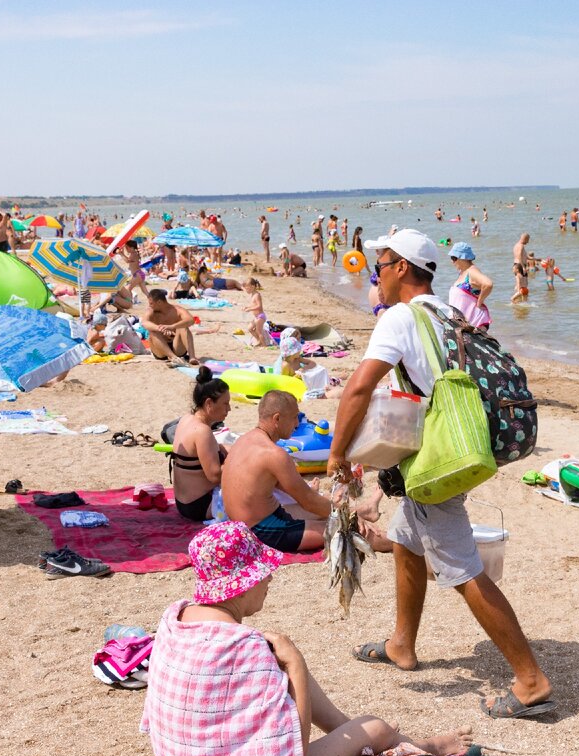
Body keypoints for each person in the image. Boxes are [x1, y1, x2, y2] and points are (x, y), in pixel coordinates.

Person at [328, 228, 555, 720]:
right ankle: (401, 645)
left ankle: (531, 679)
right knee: (408, 538)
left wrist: (337, 451)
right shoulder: (449, 311)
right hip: (464, 446)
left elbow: (359, 388)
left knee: (460, 566)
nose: (377, 275)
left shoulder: (400, 318)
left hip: (438, 461)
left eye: (381, 265)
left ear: (403, 268)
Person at [141, 522, 471, 756]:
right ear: (243, 585)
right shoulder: (247, 648)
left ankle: (350, 733)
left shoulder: (175, 620)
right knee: (375, 725)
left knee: (286, 667)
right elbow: (293, 753)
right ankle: (425, 747)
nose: (270, 580)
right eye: (264, 574)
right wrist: (296, 664)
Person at [222, 390, 327, 552]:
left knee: (325, 513)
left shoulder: (242, 441)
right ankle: (379, 537)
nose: (297, 424)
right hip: (264, 532)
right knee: (349, 530)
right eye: (294, 417)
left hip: (240, 527)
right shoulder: (274, 454)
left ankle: (361, 512)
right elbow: (309, 501)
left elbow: (293, 492)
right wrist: (343, 514)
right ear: (277, 418)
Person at [171, 367, 231, 522]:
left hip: (184, 503)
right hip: (202, 505)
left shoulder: (186, 419)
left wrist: (226, 449)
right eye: (225, 404)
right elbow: (214, 476)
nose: (229, 409)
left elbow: (205, 450)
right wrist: (239, 460)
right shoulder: (203, 431)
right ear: (209, 403)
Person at [144, 288, 199, 365]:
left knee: (183, 326)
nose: (150, 305)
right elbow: (145, 322)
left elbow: (191, 320)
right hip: (160, 349)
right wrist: (160, 329)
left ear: (159, 302)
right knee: (152, 331)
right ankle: (174, 358)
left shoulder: (177, 310)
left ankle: (192, 357)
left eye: (151, 303)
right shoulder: (150, 311)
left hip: (177, 346)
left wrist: (172, 326)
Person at [446, 242, 492, 330]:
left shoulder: (472, 271)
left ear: (462, 258)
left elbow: (488, 284)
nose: (452, 261)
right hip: (464, 325)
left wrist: (479, 303)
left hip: (474, 324)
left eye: (454, 258)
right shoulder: (463, 272)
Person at [242, 278, 267, 347]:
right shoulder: (253, 295)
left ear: (252, 287)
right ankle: (259, 341)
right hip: (256, 317)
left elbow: (259, 306)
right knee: (250, 328)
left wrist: (249, 309)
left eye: (247, 288)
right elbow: (253, 305)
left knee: (259, 332)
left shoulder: (257, 295)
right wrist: (247, 307)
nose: (246, 290)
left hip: (260, 317)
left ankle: (264, 346)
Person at [511, 233, 530, 305]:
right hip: (520, 266)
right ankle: (514, 300)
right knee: (523, 284)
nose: (528, 242)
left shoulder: (516, 245)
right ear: (525, 238)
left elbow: (525, 257)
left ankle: (519, 302)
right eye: (527, 240)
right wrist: (523, 267)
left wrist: (537, 259)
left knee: (521, 284)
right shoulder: (521, 246)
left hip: (517, 265)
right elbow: (519, 256)